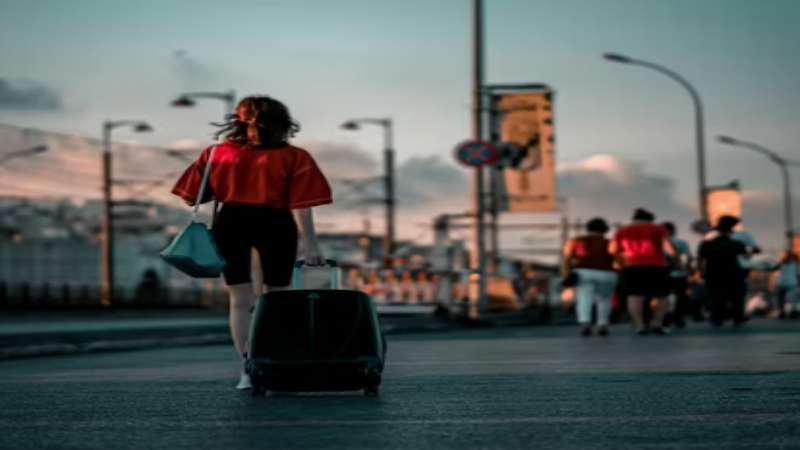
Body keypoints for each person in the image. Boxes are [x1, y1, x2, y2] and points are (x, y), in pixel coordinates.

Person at [171, 95, 332, 390]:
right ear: (281, 123)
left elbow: (189, 195)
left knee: (240, 299)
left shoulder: (216, 153)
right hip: (276, 223)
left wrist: (230, 179)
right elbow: (302, 204)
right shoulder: (295, 157)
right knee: (279, 296)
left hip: (231, 222)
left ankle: (248, 368)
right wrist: (311, 243)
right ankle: (279, 361)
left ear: (239, 121)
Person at [610, 208, 674, 335]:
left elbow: (612, 249)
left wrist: (621, 262)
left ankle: (639, 325)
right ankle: (657, 323)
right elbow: (670, 249)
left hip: (632, 265)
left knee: (635, 296)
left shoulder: (622, 230)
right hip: (657, 265)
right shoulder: (658, 229)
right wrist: (675, 253)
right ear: (650, 219)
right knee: (661, 296)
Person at [562, 218, 617, 336]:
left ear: (588, 229)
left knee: (584, 298)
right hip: (606, 272)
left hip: (583, 271)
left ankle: (585, 323)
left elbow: (567, 259)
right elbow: (618, 258)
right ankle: (603, 324)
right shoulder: (610, 242)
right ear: (605, 230)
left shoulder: (575, 241)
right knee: (605, 299)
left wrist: (567, 274)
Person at [697, 216, 749, 327]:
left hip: (713, 273)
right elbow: (745, 258)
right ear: (730, 231)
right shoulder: (736, 244)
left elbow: (700, 259)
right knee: (736, 297)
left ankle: (717, 318)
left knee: (716, 297)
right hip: (734, 274)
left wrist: (700, 272)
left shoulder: (707, 244)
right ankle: (737, 317)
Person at [661, 222, 692, 328]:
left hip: (663, 273)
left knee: (663, 296)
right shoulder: (682, 243)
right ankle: (678, 317)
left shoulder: (658, 243)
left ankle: (665, 317)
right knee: (680, 297)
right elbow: (687, 257)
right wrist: (686, 269)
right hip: (679, 274)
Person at [772, 250, 799, 319]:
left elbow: (774, 269)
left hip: (783, 282)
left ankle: (782, 312)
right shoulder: (796, 264)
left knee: (781, 298)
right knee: (793, 298)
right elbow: (797, 274)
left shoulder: (781, 264)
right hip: (790, 282)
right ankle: (792, 311)